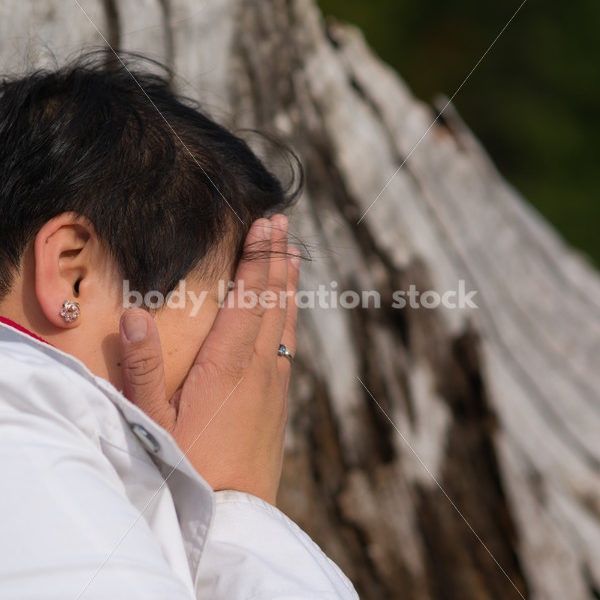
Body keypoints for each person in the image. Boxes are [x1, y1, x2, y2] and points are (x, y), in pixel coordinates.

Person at [0, 53, 359, 599]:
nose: (248, 381)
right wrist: (238, 511)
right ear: (71, 274)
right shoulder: (23, 430)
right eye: (228, 313)